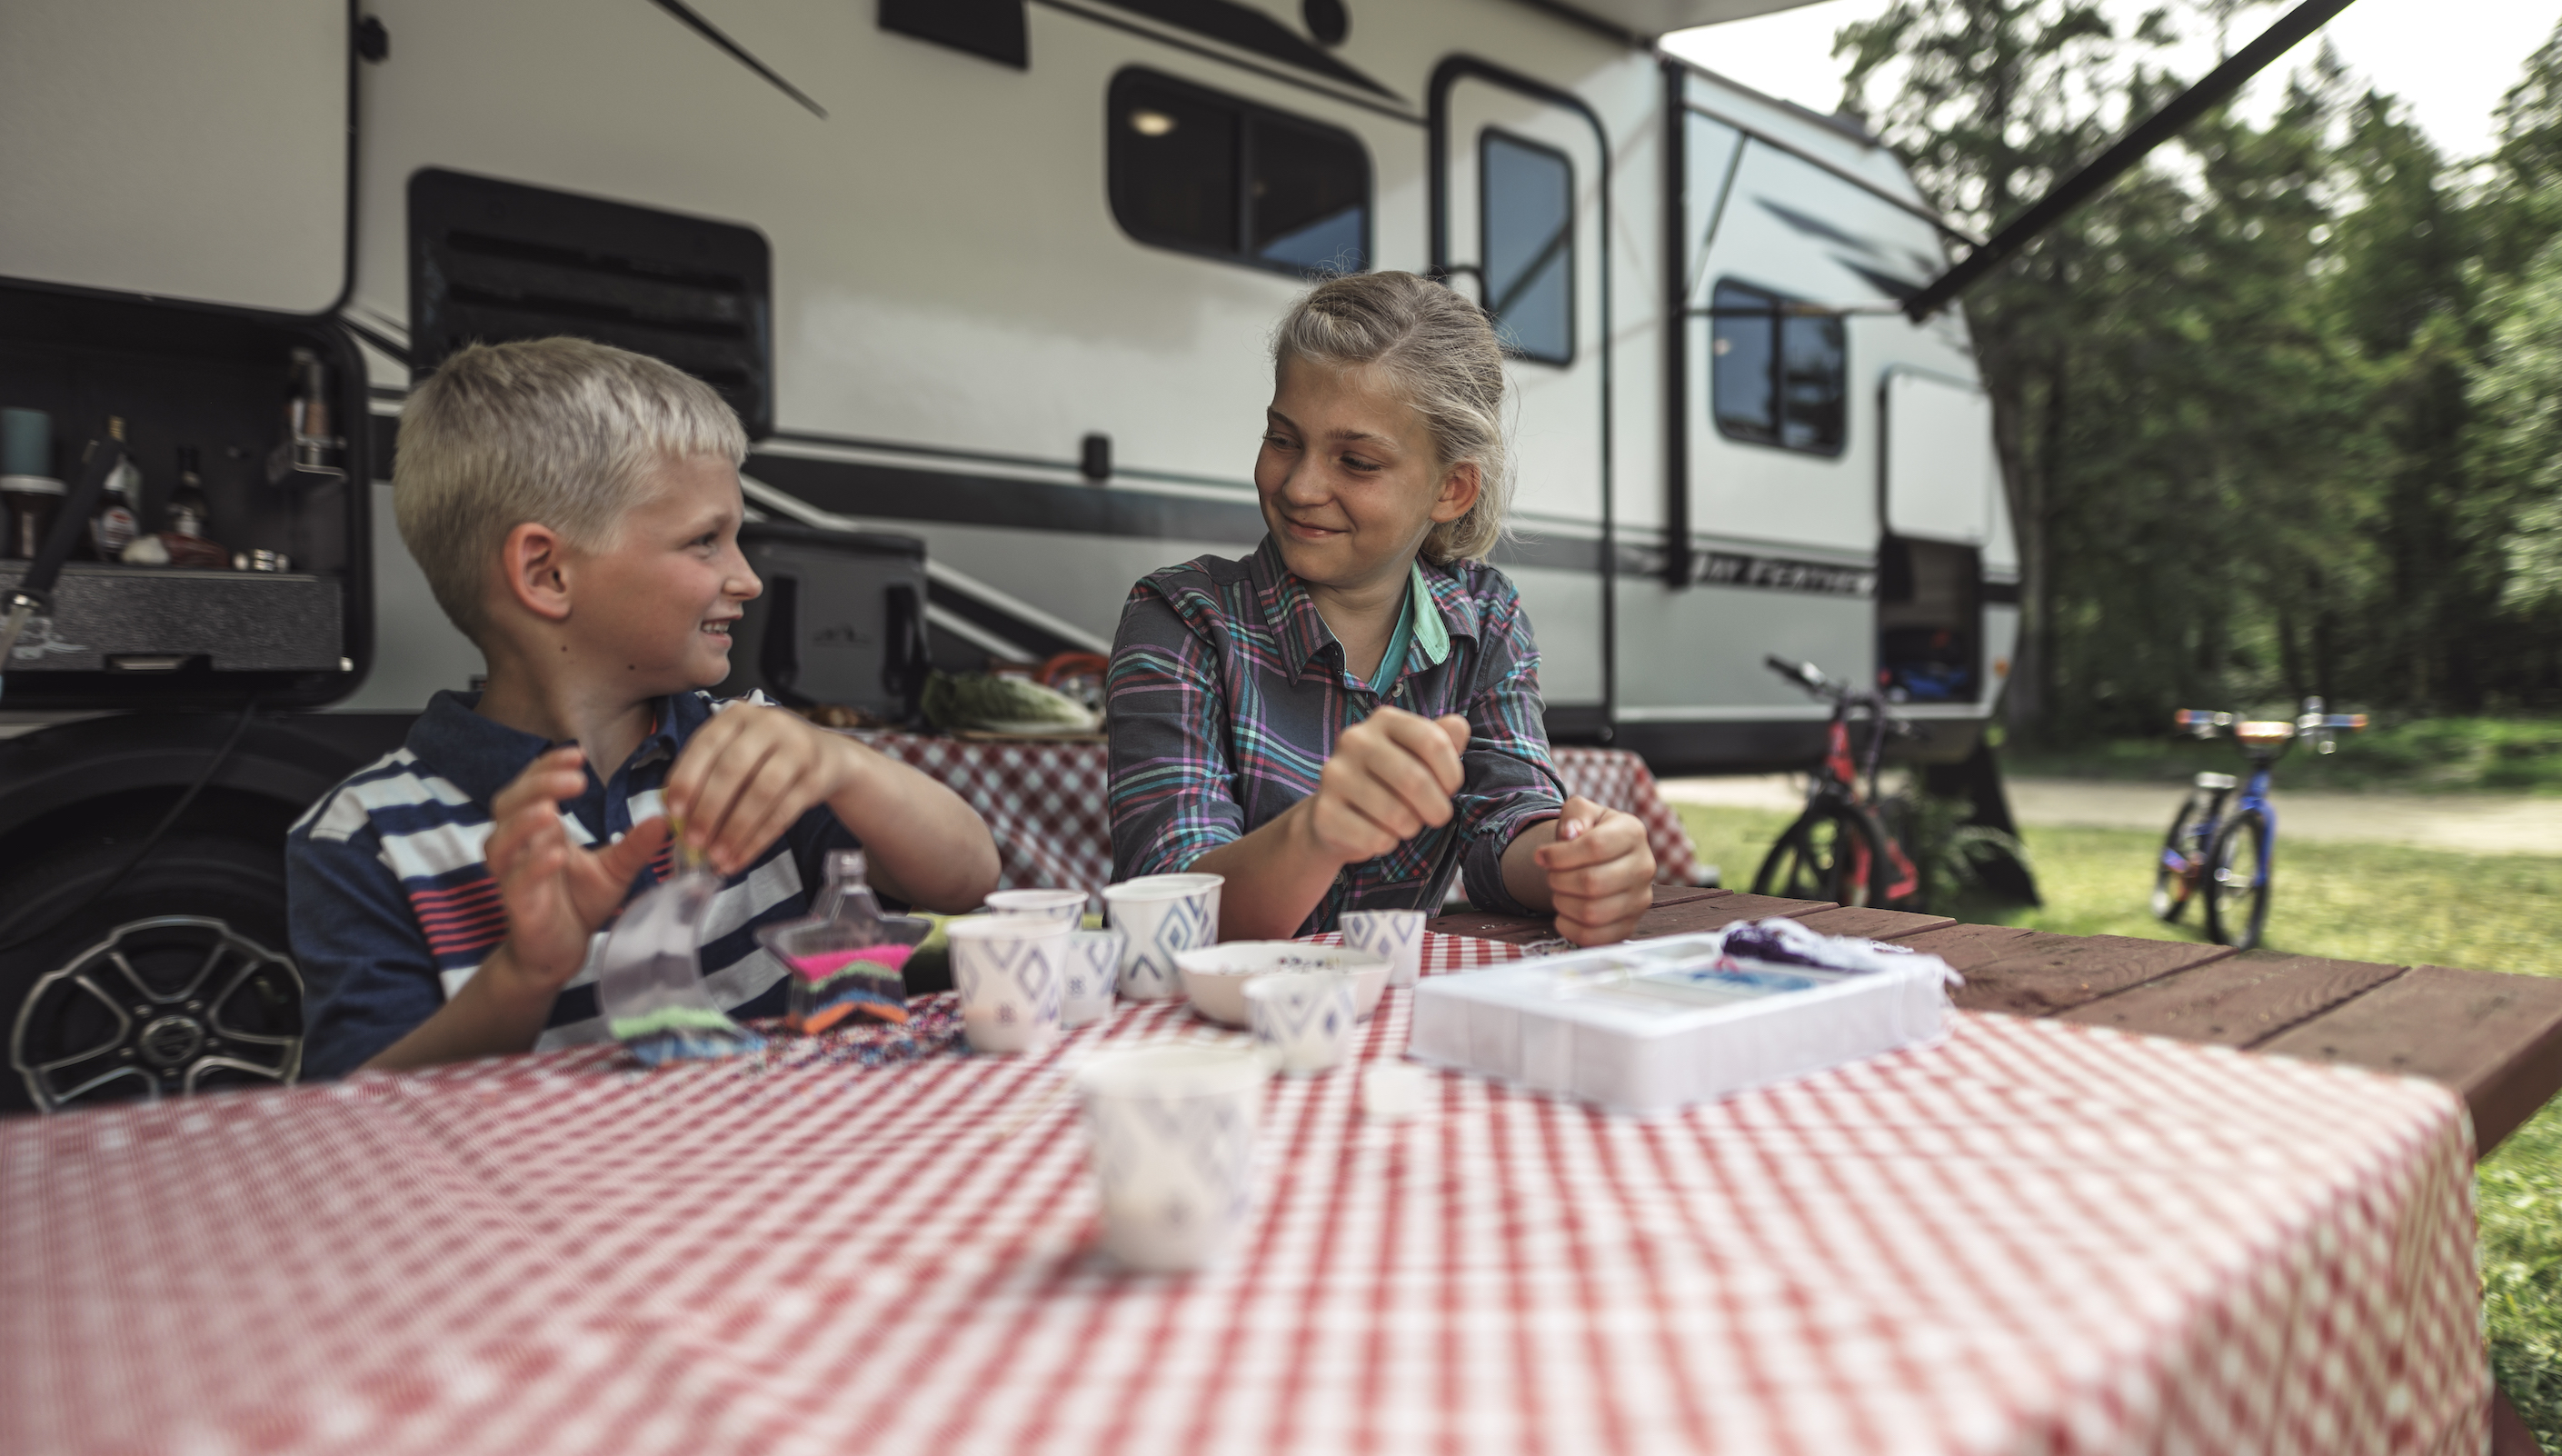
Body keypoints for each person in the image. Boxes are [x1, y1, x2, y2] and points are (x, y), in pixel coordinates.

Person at [286, 338, 998, 1077]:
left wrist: (841, 765)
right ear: (548, 572)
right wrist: (523, 976)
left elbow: (966, 878)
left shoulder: (750, 753)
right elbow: (355, 1110)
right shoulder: (367, 839)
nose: (748, 578)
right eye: (705, 542)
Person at [1107, 270, 1655, 944]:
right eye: (1283, 439)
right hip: (1192, 1033)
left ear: (1451, 490)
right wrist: (1320, 830)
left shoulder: (1486, 619)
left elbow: (1506, 821)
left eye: (1357, 462)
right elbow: (1167, 910)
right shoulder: (1181, 619)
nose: (1302, 485)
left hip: (1382, 1027)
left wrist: (1576, 861)